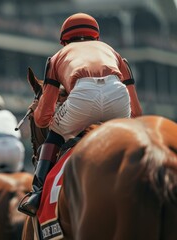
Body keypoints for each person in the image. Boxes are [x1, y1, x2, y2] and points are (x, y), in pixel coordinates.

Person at [18, 12, 142, 217]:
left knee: (55, 132)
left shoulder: (57, 57)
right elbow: (137, 112)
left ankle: (37, 193)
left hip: (82, 97)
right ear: (96, 37)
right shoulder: (112, 52)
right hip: (118, 96)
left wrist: (45, 110)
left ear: (64, 40)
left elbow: (42, 118)